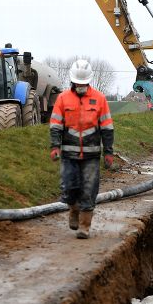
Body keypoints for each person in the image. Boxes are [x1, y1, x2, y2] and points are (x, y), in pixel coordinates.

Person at [49, 59, 114, 239]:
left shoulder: (99, 99)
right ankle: (73, 210)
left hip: (91, 154)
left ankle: (85, 226)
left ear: (89, 81)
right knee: (69, 188)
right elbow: (55, 125)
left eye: (84, 83)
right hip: (69, 153)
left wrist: (108, 152)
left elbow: (107, 127)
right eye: (78, 83)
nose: (81, 86)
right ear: (72, 81)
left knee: (89, 189)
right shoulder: (63, 98)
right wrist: (55, 146)